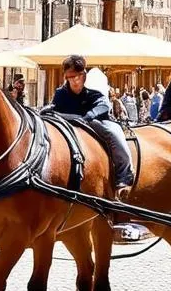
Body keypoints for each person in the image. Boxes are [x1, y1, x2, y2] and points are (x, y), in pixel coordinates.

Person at [50, 54, 134, 196]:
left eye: (77, 76)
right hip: (69, 122)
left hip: (96, 120)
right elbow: (55, 108)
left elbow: (104, 105)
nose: (74, 81)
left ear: (83, 74)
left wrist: (89, 116)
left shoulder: (93, 89)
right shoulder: (60, 93)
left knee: (113, 133)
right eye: (70, 78)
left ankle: (125, 174)